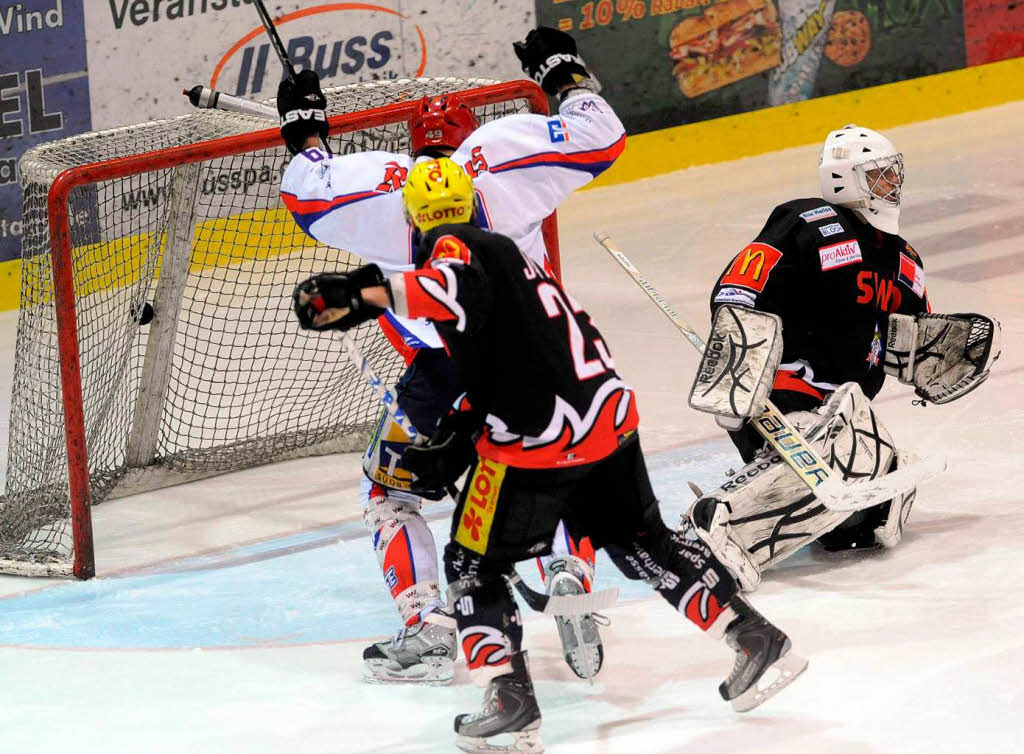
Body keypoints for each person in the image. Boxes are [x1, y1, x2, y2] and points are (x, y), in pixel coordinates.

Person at [292, 157, 808, 752]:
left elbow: (442, 290)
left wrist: (358, 293)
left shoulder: (458, 254)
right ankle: (753, 636)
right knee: (643, 545)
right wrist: (466, 430)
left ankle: (510, 703)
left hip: (543, 442)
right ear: (473, 203)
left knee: (470, 567)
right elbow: (514, 354)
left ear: (413, 217)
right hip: (611, 419)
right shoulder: (518, 258)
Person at [276, 27, 626, 682]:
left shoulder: (384, 186)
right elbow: (601, 135)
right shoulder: (503, 153)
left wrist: (307, 130)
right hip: (535, 366)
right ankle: (568, 570)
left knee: (386, 494)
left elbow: (305, 188)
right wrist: (561, 72)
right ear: (468, 137)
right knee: (556, 467)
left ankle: (425, 622)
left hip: (440, 378)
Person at [683, 124, 1001, 589]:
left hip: (849, 410)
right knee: (836, 453)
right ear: (843, 180)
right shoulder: (809, 222)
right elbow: (742, 283)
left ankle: (794, 495)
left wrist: (940, 358)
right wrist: (739, 348)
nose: (891, 186)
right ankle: (719, 526)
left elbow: (909, 345)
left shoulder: (905, 263)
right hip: (782, 395)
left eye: (892, 174)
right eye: (877, 176)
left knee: (869, 519)